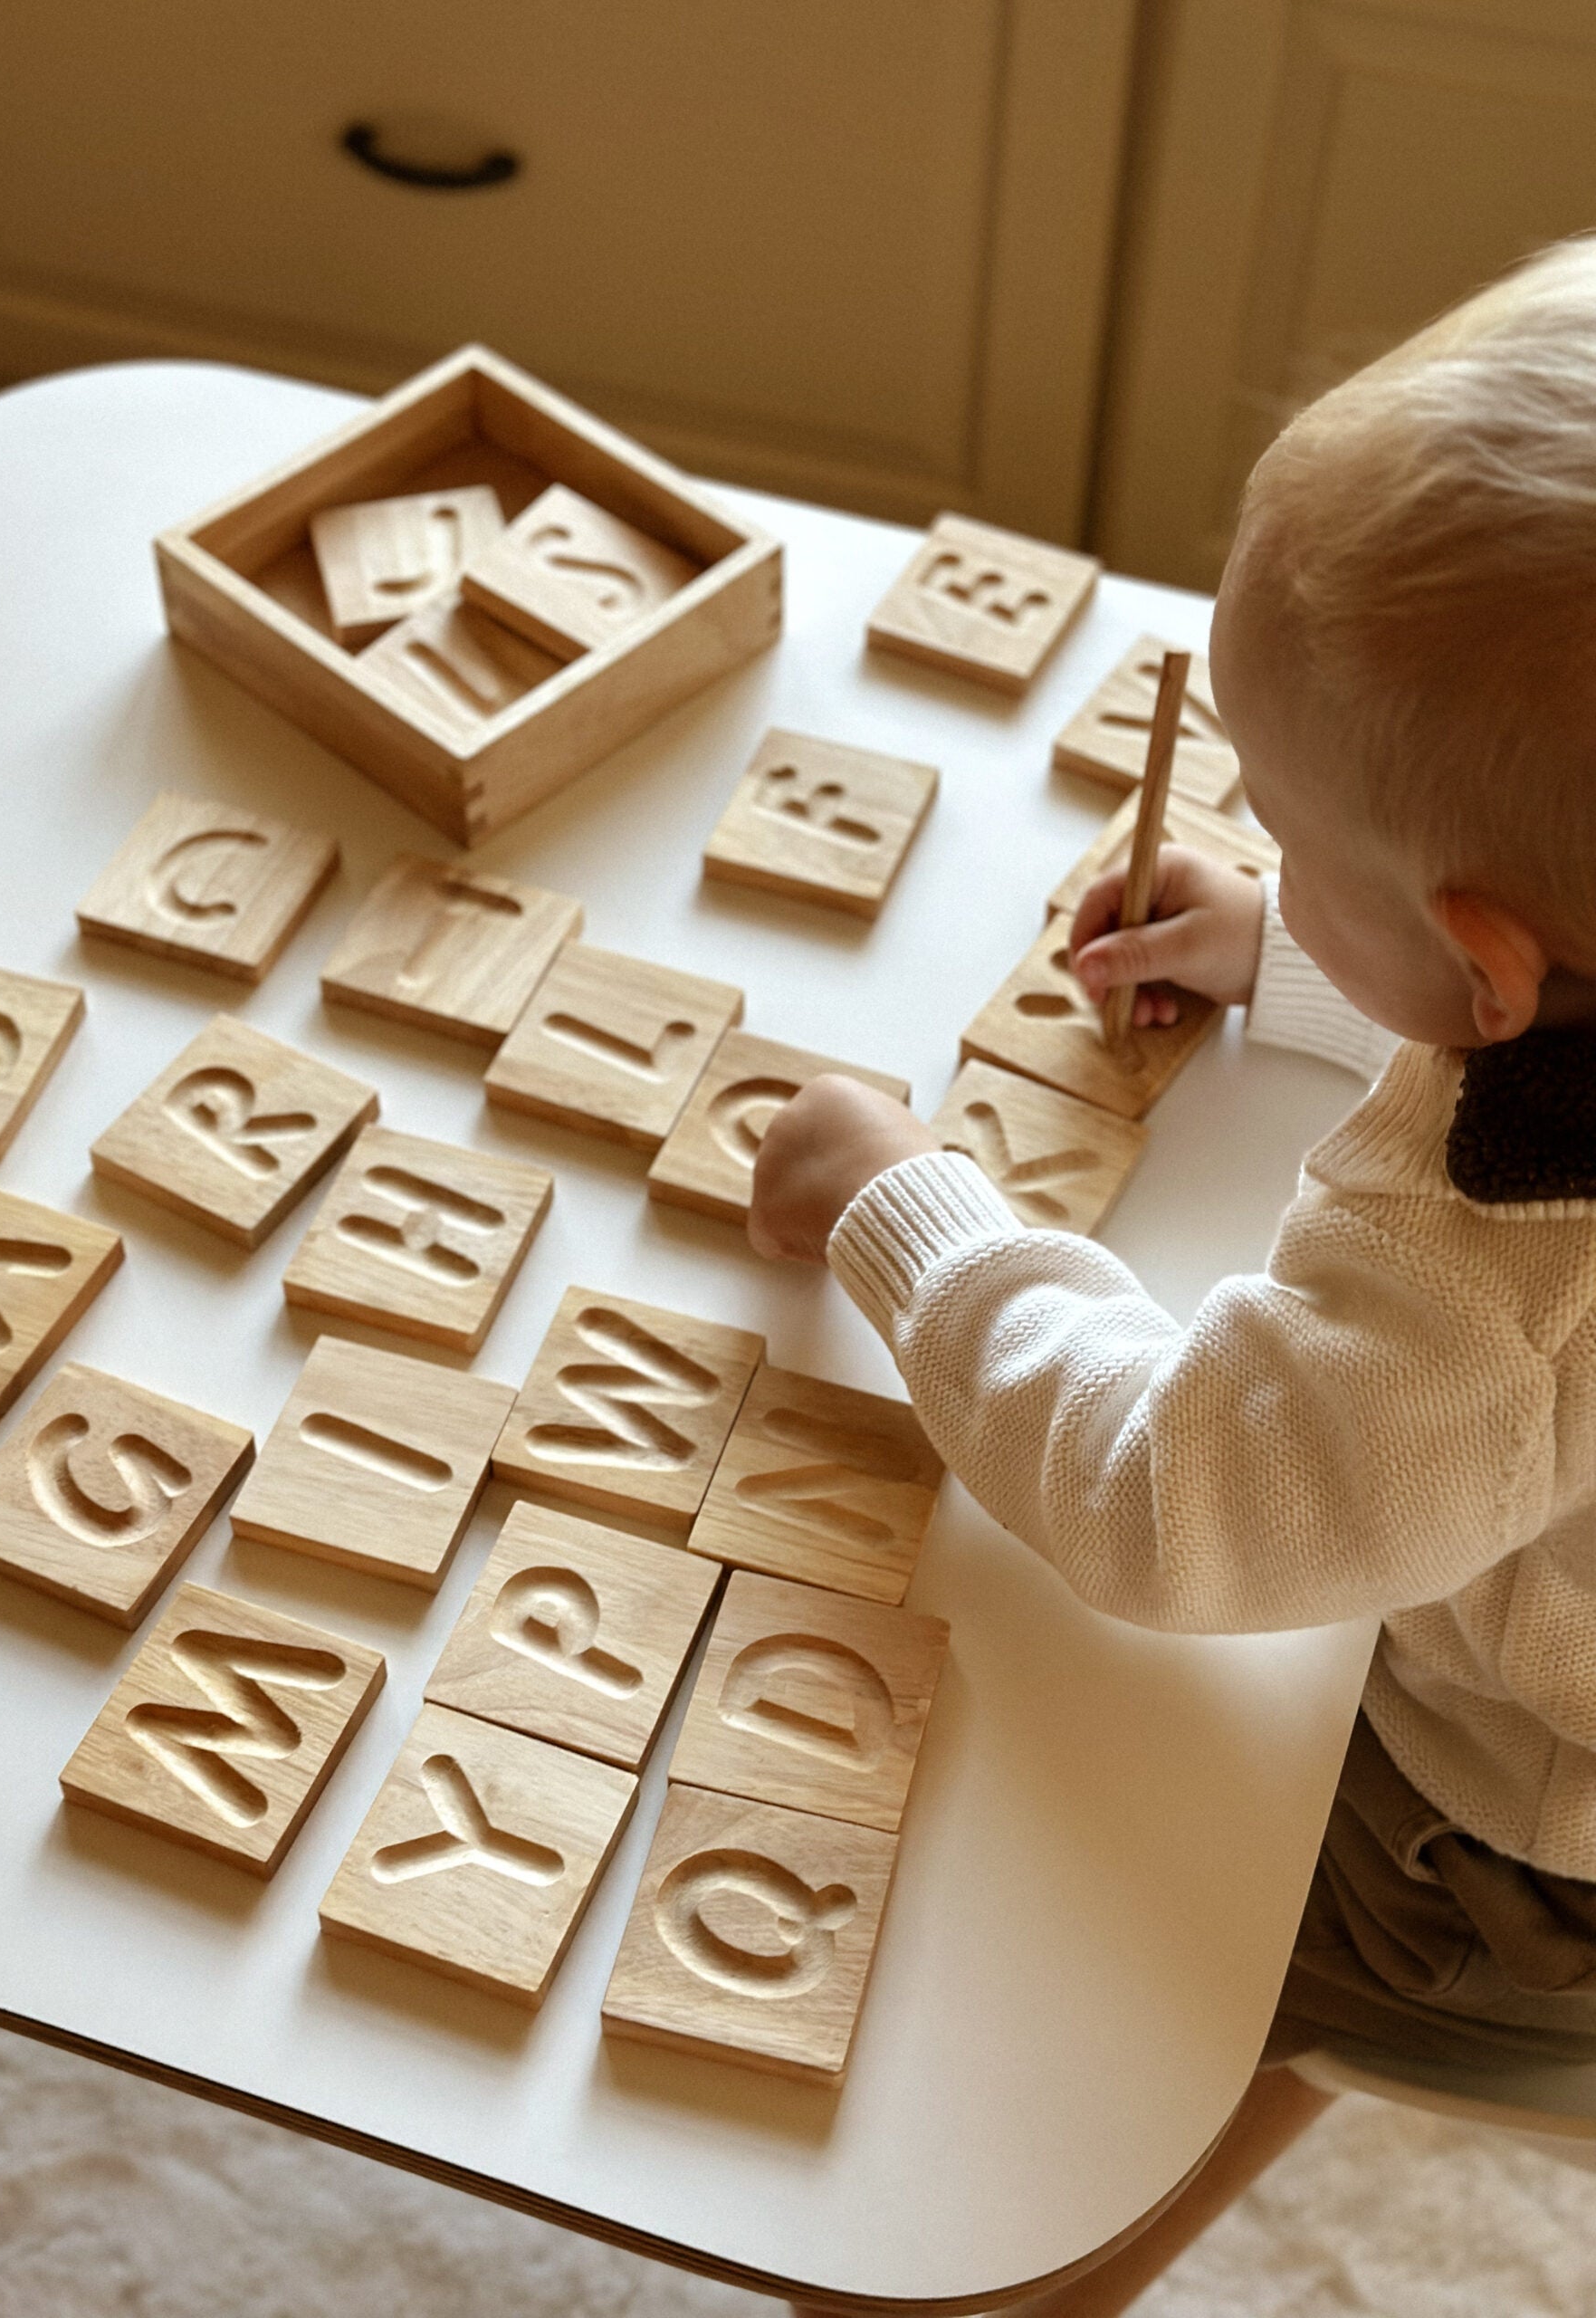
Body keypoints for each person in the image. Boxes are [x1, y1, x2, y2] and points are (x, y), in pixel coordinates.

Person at [748, 235, 1596, 2067]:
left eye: (1293, 837)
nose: (1268, 853)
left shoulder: (1496, 1279)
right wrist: (1306, 950)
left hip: (1517, 1863)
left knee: (1128, 2018)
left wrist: (908, 1211)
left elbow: (1179, 1502)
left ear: (1490, 959)